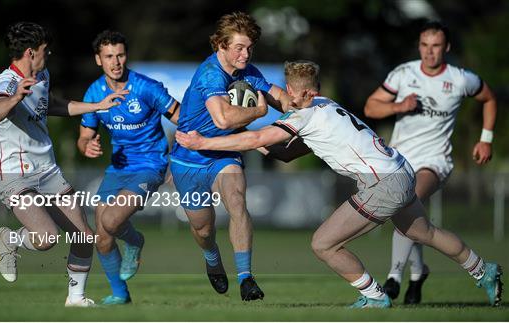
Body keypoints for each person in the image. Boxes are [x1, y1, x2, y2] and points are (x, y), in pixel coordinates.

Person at [175, 60, 503, 308]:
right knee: (424, 232)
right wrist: (266, 146)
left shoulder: (303, 115)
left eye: (289, 91)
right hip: (402, 170)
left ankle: (374, 295)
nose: (287, 96)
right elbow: (289, 150)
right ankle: (483, 270)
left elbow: (260, 135)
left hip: (382, 184)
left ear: (299, 92)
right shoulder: (325, 105)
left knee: (323, 244)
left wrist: (202, 143)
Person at [0, 22, 127, 307]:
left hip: (47, 170)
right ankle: (11, 240)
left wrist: (98, 106)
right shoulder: (7, 83)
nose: (48, 55)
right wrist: (16, 96)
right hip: (14, 174)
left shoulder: (42, 75)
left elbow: (50, 105)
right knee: (46, 238)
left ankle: (75, 299)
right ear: (30, 52)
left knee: (84, 236)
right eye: (44, 51)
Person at [363, 21, 498, 304]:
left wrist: (486, 138)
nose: (429, 52)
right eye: (425, 45)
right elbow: (370, 106)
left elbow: (489, 98)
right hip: (399, 160)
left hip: (435, 161)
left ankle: (393, 278)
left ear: (446, 48)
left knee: (406, 201)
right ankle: (418, 273)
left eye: (436, 46)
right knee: (412, 217)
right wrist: (399, 106)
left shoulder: (461, 79)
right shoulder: (403, 74)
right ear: (419, 47)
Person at [169, 11, 293, 301]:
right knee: (203, 229)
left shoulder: (246, 71)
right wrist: (260, 113)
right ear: (220, 45)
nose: (245, 54)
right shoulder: (210, 73)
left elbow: (279, 96)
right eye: (238, 47)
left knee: (237, 201)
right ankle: (212, 259)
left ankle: (246, 278)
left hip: (225, 153)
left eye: (249, 47)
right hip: (189, 158)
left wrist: (303, 105)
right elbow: (223, 119)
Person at [77, 30, 180, 305]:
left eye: (120, 55)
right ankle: (120, 295)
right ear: (98, 59)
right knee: (101, 234)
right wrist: (86, 145)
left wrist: (180, 155)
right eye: (109, 56)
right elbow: (84, 135)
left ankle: (134, 242)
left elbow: (183, 119)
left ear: (126, 56)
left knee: (111, 221)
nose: (116, 62)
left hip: (150, 165)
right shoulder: (94, 92)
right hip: (118, 168)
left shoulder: (146, 87)